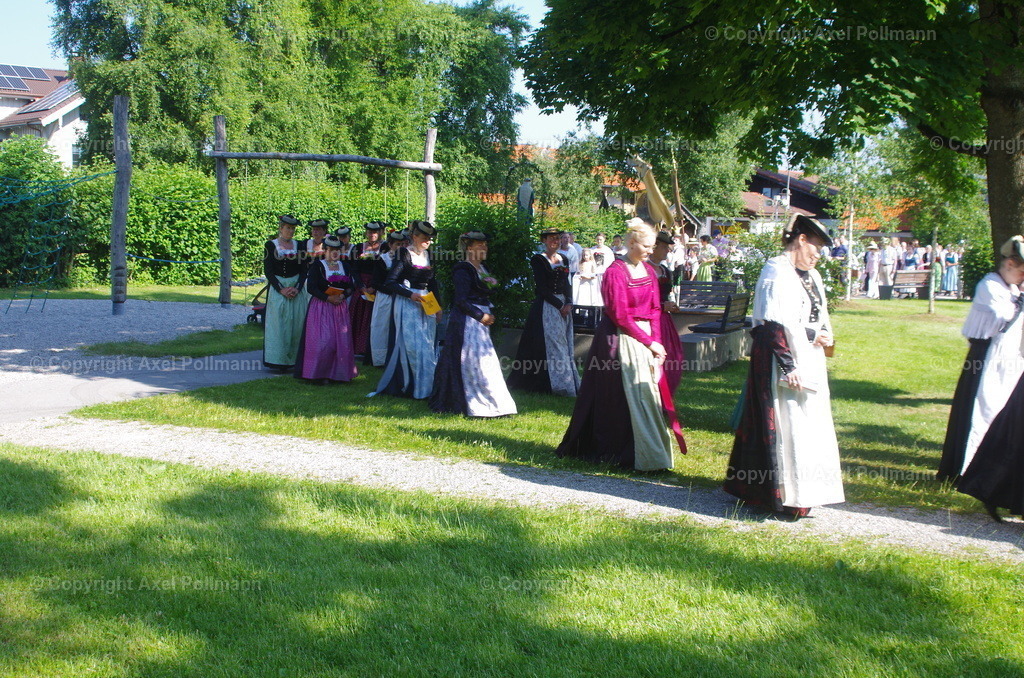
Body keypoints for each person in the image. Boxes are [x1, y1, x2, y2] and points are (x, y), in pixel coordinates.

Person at [723, 214, 844, 518]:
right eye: (816, 247)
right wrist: (789, 366)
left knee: (808, 421)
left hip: (808, 356)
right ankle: (777, 494)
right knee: (786, 420)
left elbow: (808, 318)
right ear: (801, 240)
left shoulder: (812, 275)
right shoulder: (776, 272)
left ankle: (805, 490)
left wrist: (821, 334)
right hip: (778, 360)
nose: (819, 255)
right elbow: (772, 324)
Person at [556, 219, 686, 469]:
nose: (650, 250)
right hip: (617, 339)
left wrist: (657, 344)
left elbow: (655, 309)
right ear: (632, 243)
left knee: (647, 394)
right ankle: (616, 451)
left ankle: (648, 452)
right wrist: (649, 342)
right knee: (615, 395)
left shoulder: (649, 271)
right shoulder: (615, 271)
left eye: (652, 246)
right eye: (647, 246)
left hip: (645, 339)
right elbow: (619, 315)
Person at [937, 236, 1024, 482]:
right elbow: (1003, 317)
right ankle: (965, 469)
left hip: (1006, 357)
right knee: (980, 409)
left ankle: (990, 468)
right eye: (1021, 271)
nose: (1022, 277)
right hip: (984, 358)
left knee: (999, 408)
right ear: (1009, 264)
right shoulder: (989, 285)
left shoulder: (1012, 288)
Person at [430, 232, 518, 418]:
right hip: (467, 322)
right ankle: (472, 402)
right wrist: (480, 315)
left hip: (481, 322)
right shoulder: (463, 270)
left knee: (486, 360)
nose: (484, 248)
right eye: (480, 245)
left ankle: (495, 403)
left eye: (485, 244)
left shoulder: (483, 269)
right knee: (474, 362)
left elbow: (486, 292)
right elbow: (460, 300)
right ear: (469, 248)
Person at [507, 227, 580, 396]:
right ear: (544, 241)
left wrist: (569, 302)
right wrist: (559, 305)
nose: (555, 241)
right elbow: (541, 288)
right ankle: (555, 383)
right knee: (553, 344)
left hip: (564, 305)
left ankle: (568, 380)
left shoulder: (564, 258)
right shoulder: (538, 259)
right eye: (551, 238)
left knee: (564, 343)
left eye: (557, 238)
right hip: (547, 306)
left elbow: (567, 283)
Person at [372, 221, 441, 399]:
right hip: (408, 304)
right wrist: (410, 295)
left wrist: (439, 306)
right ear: (414, 237)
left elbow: (433, 283)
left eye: (430, 238)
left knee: (427, 344)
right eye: (424, 237)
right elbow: (391, 282)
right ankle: (409, 385)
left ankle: (427, 386)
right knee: (412, 346)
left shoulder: (429, 255)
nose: (428, 241)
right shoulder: (403, 254)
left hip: (427, 303)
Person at [294, 234, 357, 383]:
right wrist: (328, 298)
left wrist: (343, 296)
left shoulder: (345, 267)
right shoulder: (318, 266)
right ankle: (318, 374)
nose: (334, 253)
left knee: (341, 342)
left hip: (339, 308)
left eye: (337, 250)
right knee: (323, 342)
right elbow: (311, 288)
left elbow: (351, 287)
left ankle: (338, 374)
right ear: (325, 250)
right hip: (321, 308)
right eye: (331, 250)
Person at [262, 215, 310, 370]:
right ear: (281, 228)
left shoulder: (300, 245)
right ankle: (278, 360)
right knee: (278, 324)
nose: (290, 231)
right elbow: (268, 271)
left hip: (296, 288)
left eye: (293, 228)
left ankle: (296, 360)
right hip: (279, 288)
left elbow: (304, 270)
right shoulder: (271, 245)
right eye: (288, 228)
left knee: (297, 323)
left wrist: (297, 287)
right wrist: (281, 289)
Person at [650, 230, 684, 392]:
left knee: (673, 355)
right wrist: (663, 306)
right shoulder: (643, 269)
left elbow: (665, 294)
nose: (667, 250)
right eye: (664, 247)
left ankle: (666, 391)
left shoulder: (664, 270)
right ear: (654, 247)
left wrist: (670, 304)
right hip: (650, 318)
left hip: (664, 320)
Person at [369, 229, 408, 366]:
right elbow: (375, 282)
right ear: (390, 245)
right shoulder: (383, 259)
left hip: (402, 296)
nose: (400, 247)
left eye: (402, 244)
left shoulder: (406, 259)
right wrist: (392, 291)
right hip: (386, 297)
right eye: (397, 244)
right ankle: (381, 358)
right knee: (383, 326)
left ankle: (399, 357)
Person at [349, 221, 385, 359]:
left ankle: (368, 348)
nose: (372, 234)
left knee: (372, 316)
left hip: (376, 285)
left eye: (375, 232)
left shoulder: (384, 248)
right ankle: (356, 347)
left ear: (380, 233)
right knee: (358, 314)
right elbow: (354, 268)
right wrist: (361, 285)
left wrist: (374, 286)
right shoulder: (358, 247)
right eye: (370, 232)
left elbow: (384, 269)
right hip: (362, 286)